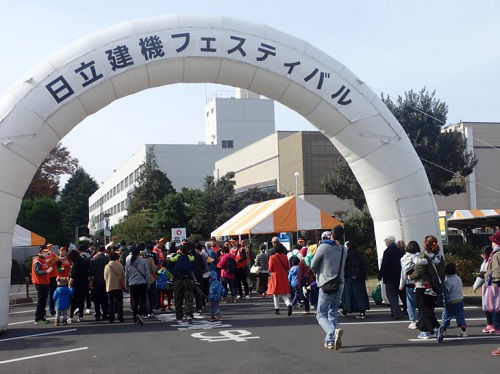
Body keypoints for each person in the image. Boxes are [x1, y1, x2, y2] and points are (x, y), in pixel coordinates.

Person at [311, 225, 347, 350]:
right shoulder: (343, 249)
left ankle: (332, 332)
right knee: (333, 312)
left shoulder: (324, 247)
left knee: (321, 314)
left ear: (331, 234)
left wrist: (317, 273)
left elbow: (313, 264)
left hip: (326, 283)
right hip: (340, 283)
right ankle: (330, 341)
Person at [410, 235, 444, 339]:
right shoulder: (439, 257)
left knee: (424, 309)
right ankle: (425, 328)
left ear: (425, 244)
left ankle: (432, 329)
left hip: (423, 286)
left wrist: (411, 276)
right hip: (435, 286)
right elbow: (442, 272)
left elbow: (418, 272)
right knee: (429, 308)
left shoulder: (423, 257)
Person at [436, 263, 467, 342]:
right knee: (460, 315)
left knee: (446, 316)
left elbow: (446, 292)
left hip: (450, 302)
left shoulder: (447, 281)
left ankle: (443, 329)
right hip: (459, 300)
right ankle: (464, 331)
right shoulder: (458, 278)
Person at [340, 241, 370, 319]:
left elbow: (345, 266)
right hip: (359, 278)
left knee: (348, 295)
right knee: (360, 294)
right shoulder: (359, 255)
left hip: (349, 277)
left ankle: (345, 310)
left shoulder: (347, 255)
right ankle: (362, 311)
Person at [377, 235, 403, 319]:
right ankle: (396, 312)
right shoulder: (400, 250)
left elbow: (384, 265)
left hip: (389, 277)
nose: (385, 243)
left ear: (388, 241)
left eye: (386, 241)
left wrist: (380, 275)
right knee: (396, 294)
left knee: (391, 296)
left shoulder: (387, 251)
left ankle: (396, 313)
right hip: (398, 276)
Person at [170, 243, 196, 322]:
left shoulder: (177, 256)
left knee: (177, 298)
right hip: (187, 279)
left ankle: (179, 316)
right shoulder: (190, 257)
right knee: (188, 297)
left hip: (177, 280)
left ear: (181, 250)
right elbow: (193, 259)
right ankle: (188, 314)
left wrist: (178, 253)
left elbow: (171, 259)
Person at [126, 244, 150, 324]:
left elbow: (127, 274)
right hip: (142, 283)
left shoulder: (128, 260)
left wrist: (126, 284)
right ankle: (139, 314)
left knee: (134, 302)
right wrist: (148, 284)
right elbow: (147, 274)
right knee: (142, 301)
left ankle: (134, 317)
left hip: (132, 284)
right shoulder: (143, 260)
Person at [473, 245, 494, 333]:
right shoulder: (493, 260)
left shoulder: (486, 263)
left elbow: (481, 276)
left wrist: (475, 286)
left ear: (485, 254)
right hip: (494, 286)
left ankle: (490, 324)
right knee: (494, 306)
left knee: (488, 307)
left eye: (482, 254)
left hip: (487, 287)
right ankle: (493, 324)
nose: (481, 255)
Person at [268, 243, 292, 316]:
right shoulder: (285, 257)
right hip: (284, 276)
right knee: (284, 294)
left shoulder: (272, 257)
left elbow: (270, 268)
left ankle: (277, 308)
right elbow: (288, 267)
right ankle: (289, 304)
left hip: (275, 276)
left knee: (276, 294)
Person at [399, 241, 420, 329]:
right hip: (421, 282)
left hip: (410, 283)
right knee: (421, 302)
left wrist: (401, 284)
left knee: (410, 303)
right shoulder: (420, 257)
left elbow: (404, 272)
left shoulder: (404, 258)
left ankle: (413, 321)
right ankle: (423, 320)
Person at [32, 247, 53, 324]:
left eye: (47, 251)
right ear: (40, 252)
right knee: (41, 301)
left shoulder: (43, 260)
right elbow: (37, 272)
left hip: (44, 283)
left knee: (43, 301)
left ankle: (41, 317)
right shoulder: (37, 260)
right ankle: (38, 319)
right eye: (45, 252)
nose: (47, 253)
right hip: (40, 283)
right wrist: (47, 271)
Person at [484, 231, 500, 335]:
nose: (492, 243)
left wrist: (494, 279)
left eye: (493, 241)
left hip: (496, 283)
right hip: (495, 282)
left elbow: (497, 270)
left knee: (496, 307)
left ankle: (497, 326)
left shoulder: (497, 254)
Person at [68, 248, 89, 323]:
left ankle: (70, 317)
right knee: (81, 301)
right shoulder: (83, 261)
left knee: (73, 301)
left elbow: (72, 276)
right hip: (84, 283)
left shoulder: (75, 263)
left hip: (76, 285)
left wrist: (70, 284)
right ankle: (81, 316)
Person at [103, 251, 125, 323]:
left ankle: (111, 318)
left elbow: (105, 278)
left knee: (111, 303)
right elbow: (123, 275)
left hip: (110, 286)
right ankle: (120, 317)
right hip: (118, 286)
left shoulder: (107, 266)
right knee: (119, 302)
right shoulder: (120, 265)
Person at [89, 245, 109, 321]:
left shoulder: (93, 259)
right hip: (105, 281)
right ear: (104, 250)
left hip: (95, 281)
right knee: (104, 298)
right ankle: (104, 314)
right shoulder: (107, 259)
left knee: (96, 299)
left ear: (97, 250)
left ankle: (97, 314)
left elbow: (90, 272)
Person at [43, 244, 59, 316]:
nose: (49, 249)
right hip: (45, 276)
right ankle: (46, 311)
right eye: (47, 248)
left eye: (49, 248)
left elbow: (58, 261)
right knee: (45, 295)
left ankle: (51, 309)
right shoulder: (42, 256)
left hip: (52, 276)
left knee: (51, 293)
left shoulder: (53, 254)